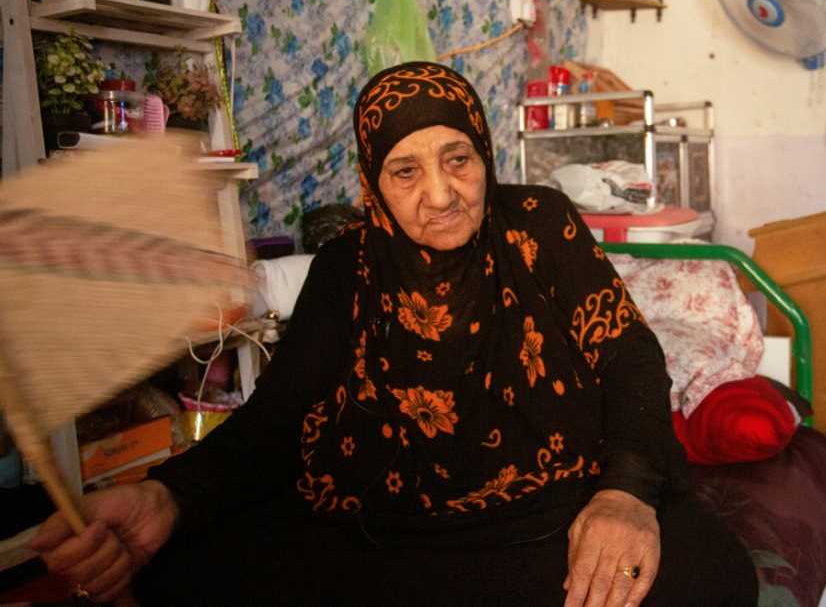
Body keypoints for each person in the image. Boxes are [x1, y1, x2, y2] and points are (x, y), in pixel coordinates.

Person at [32, 62, 758, 606]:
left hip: (555, 518)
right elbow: (280, 420)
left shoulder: (540, 224)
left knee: (711, 574)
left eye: (458, 161)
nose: (440, 195)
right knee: (183, 568)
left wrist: (626, 495)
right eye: (405, 171)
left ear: (485, 156)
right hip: (394, 535)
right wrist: (166, 497)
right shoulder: (347, 266)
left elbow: (630, 355)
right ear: (371, 184)